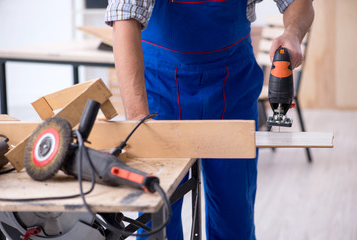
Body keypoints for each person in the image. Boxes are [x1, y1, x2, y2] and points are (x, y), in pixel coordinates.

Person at [105, 0, 314, 239]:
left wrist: (292, 33)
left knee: (234, 216)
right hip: (159, 90)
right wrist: (139, 120)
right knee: (155, 220)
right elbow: (124, 18)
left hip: (232, 85)